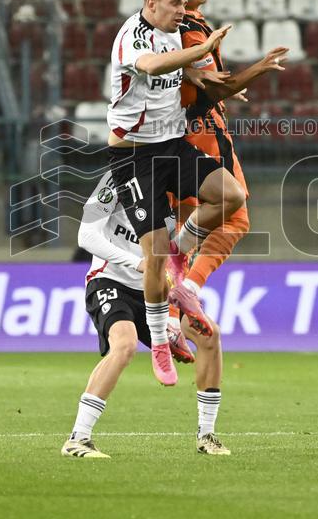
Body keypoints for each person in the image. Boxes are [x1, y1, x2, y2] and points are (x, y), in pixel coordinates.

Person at [106, 0, 245, 387]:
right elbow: (150, 67)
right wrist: (201, 51)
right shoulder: (134, 34)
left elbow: (186, 73)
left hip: (172, 145)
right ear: (151, 3)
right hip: (135, 157)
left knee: (231, 197)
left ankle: (183, 258)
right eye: (175, 3)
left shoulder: (172, 31)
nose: (183, 10)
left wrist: (223, 82)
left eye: (185, 2)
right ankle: (161, 342)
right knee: (155, 255)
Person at [61, 171, 230, 459]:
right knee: (124, 345)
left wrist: (174, 317)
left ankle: (207, 435)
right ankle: (78, 438)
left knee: (209, 336)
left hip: (155, 292)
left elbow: (176, 257)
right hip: (111, 281)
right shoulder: (116, 178)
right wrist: (137, 263)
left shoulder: (177, 191)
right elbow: (86, 235)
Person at [168, 0, 288, 299]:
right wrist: (258, 69)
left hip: (184, 133)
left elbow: (198, 82)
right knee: (231, 219)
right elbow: (209, 92)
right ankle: (183, 294)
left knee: (185, 225)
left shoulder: (180, 28)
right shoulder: (190, 29)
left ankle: (177, 303)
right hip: (201, 136)